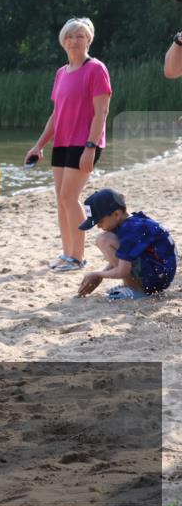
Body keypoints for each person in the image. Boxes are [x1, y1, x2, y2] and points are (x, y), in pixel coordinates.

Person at [25, 18, 112, 273]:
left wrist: (91, 145)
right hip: (62, 141)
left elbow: (102, 112)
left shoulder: (96, 69)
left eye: (81, 36)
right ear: (63, 41)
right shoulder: (61, 73)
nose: (75, 41)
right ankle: (67, 254)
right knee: (61, 200)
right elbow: (56, 114)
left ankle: (78, 257)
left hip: (84, 142)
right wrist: (38, 145)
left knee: (69, 197)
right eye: (70, 36)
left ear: (89, 40)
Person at [77, 188, 176, 300]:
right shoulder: (131, 223)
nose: (98, 226)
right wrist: (101, 273)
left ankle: (136, 289)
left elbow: (122, 271)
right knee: (106, 237)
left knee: (105, 239)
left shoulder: (131, 231)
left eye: (99, 221)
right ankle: (133, 285)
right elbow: (124, 256)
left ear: (116, 214)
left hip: (157, 277)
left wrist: (98, 275)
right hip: (160, 274)